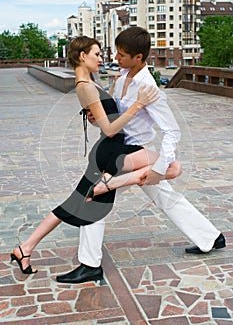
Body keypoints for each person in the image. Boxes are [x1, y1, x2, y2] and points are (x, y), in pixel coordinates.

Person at [55, 27, 226, 284]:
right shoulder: (122, 77)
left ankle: (90, 265)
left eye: (122, 55)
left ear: (139, 57)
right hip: (120, 148)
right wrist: (95, 119)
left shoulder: (148, 87)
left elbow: (172, 130)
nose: (117, 58)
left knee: (94, 199)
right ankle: (210, 237)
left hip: (133, 153)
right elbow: (113, 118)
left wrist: (161, 166)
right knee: (167, 198)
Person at [10, 36, 180, 276]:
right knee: (171, 167)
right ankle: (107, 186)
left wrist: (109, 100)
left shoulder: (90, 82)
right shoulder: (85, 86)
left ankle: (25, 248)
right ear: (83, 56)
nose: (102, 59)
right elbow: (111, 129)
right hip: (112, 151)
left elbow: (106, 116)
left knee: (73, 203)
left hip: (110, 150)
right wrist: (138, 105)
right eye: (97, 54)